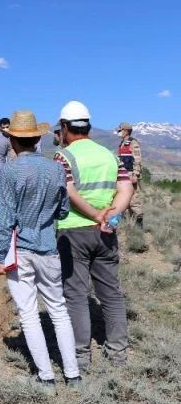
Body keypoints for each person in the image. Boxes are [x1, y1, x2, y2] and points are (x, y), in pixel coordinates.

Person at [0, 111, 81, 391]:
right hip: (48, 247)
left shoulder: (9, 171)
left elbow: (5, 220)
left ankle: (45, 377)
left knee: (29, 315)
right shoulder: (56, 168)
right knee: (59, 311)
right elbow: (64, 210)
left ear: (14, 141)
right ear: (35, 138)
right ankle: (73, 375)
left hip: (21, 251)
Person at [54, 101, 134, 369]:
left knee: (76, 294)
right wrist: (111, 216)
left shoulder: (63, 156)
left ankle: (80, 356)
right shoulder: (109, 155)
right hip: (106, 233)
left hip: (73, 231)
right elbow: (126, 189)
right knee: (111, 294)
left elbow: (69, 191)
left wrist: (94, 214)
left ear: (65, 127)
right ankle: (118, 354)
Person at [116, 121, 143, 227]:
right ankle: (127, 224)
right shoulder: (122, 144)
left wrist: (135, 174)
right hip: (124, 175)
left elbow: (137, 159)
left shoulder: (133, 143)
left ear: (126, 131)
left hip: (131, 174)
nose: (119, 132)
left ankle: (138, 225)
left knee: (135, 200)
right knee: (125, 198)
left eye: (120, 130)